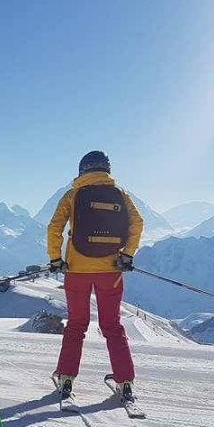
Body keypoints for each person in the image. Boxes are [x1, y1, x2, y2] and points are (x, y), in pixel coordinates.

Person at [46, 150, 144, 401]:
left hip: (77, 271)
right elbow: (137, 223)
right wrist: (128, 254)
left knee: (76, 325)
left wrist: (56, 259)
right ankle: (125, 382)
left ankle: (66, 378)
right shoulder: (121, 195)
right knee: (112, 326)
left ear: (82, 171)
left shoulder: (73, 195)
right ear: (106, 170)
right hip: (111, 270)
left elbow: (54, 227)